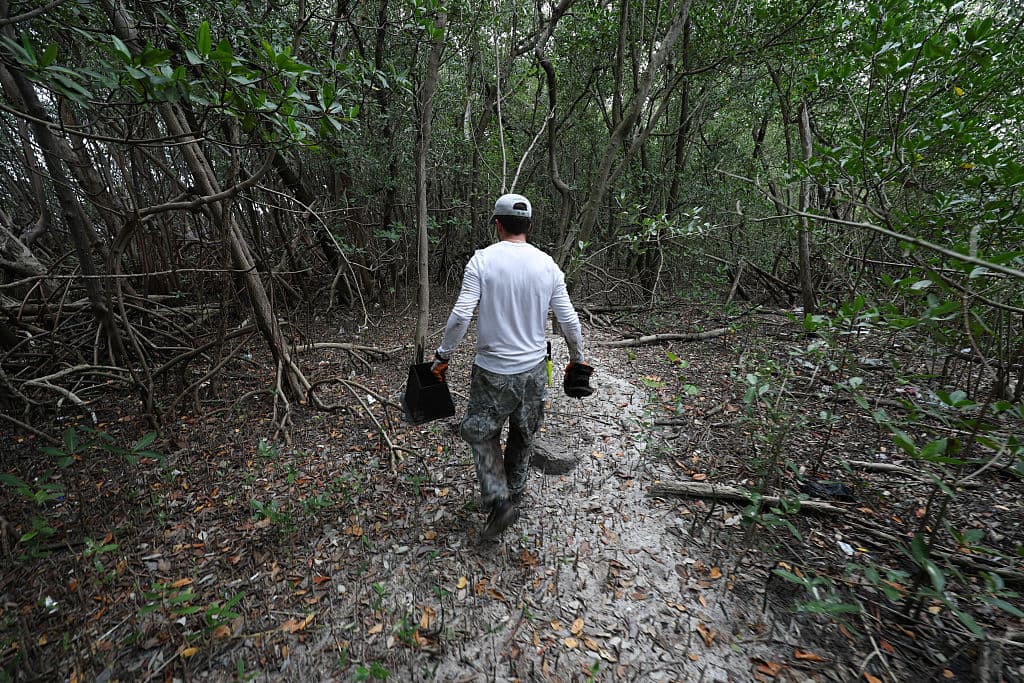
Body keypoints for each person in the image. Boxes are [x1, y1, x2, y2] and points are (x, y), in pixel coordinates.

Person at [431, 193, 592, 541]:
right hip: (534, 371)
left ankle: (500, 501)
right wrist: (577, 358)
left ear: (498, 224)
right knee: (523, 433)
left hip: (492, 371)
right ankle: (513, 494)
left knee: (481, 432)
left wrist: (443, 356)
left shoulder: (482, 261)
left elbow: (460, 316)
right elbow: (569, 320)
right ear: (528, 226)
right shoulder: (547, 265)